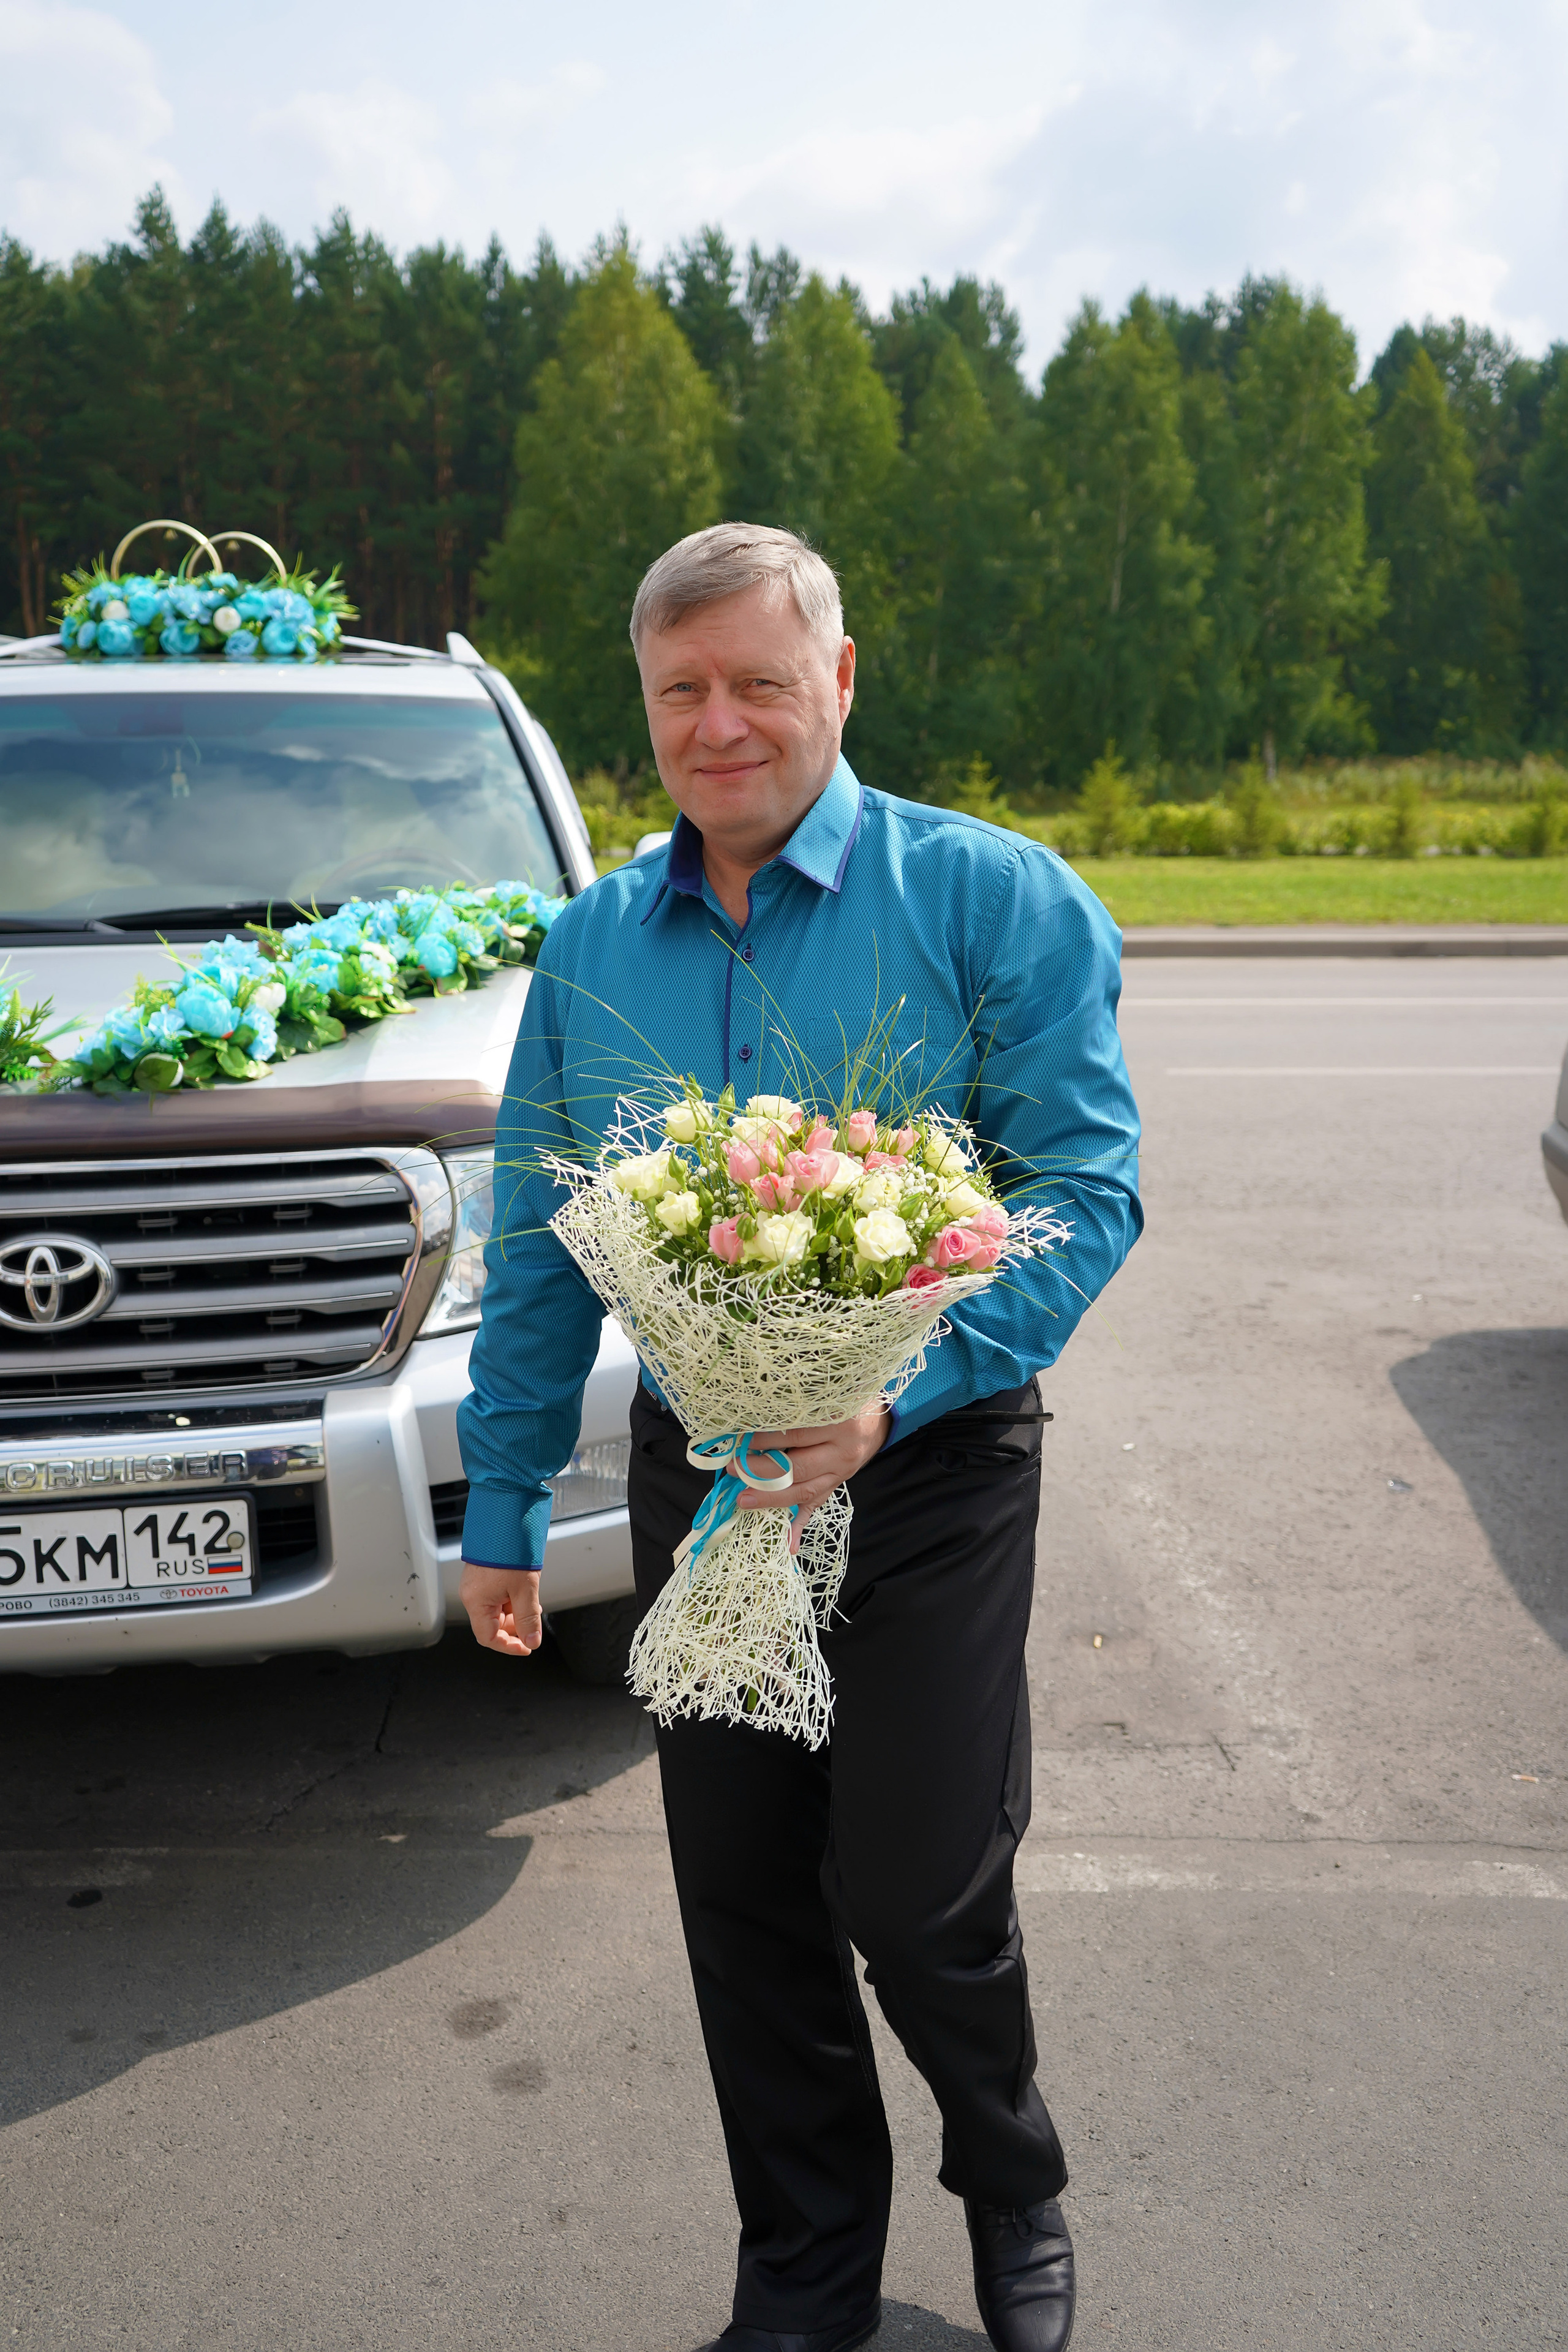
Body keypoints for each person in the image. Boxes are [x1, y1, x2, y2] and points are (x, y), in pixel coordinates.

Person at [458, 522, 1142, 2352]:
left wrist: (897, 1385)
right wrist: (506, 1494)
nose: (722, 724)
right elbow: (541, 1236)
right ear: (647, 709)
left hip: (932, 1470)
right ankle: (807, 2273)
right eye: (683, 692)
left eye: (762, 682)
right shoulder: (596, 939)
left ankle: (1010, 2173)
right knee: (745, 1909)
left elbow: (1084, 1190)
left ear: (838, 681)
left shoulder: (995, 898)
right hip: (708, 1494)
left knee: (917, 1894)